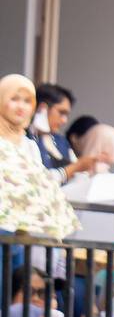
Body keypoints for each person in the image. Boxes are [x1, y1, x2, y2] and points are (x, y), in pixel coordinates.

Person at [0, 75, 82, 255]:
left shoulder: (29, 144)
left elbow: (39, 183)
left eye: (27, 101)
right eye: (14, 99)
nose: (21, 107)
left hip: (20, 231)